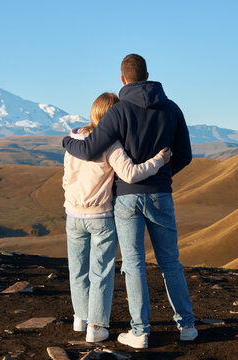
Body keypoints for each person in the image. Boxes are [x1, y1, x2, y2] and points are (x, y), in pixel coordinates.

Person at [62, 54, 197, 349]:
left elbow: (90, 149)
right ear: (147, 75)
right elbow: (185, 155)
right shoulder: (172, 109)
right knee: (170, 262)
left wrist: (67, 141)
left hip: (126, 198)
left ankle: (140, 331)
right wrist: (161, 174)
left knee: (133, 265)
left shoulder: (119, 111)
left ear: (123, 79)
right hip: (161, 194)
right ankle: (187, 325)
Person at [63, 92, 170, 343]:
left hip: (73, 214)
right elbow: (131, 174)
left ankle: (80, 317)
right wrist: (158, 161)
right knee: (100, 272)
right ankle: (96, 327)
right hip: (100, 215)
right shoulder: (111, 144)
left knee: (77, 270)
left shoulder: (74, 140)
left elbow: (66, 178)